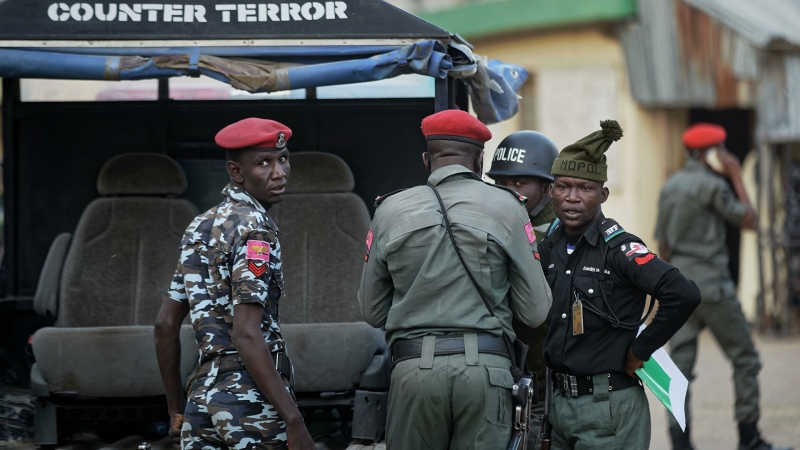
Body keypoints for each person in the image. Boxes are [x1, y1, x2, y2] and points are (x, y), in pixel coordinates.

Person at [358, 109, 552, 450]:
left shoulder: (388, 210)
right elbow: (535, 312)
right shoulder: (507, 207)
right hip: (486, 373)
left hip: (413, 372)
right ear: (479, 161)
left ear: (425, 159)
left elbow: (372, 312)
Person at [154, 118, 315, 450]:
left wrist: (176, 409)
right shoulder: (256, 228)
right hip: (250, 399)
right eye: (264, 163)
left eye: (283, 158)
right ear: (236, 171)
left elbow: (165, 324)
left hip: (201, 398)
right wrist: (293, 419)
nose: (279, 172)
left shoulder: (199, 226)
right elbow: (245, 332)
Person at [540, 120, 701, 449]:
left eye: (585, 188)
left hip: (608, 407)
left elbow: (683, 293)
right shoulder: (548, 247)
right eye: (563, 186)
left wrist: (641, 351)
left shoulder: (619, 249)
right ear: (550, 191)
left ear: (603, 194)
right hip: (560, 406)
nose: (572, 197)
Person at [655, 123, 792, 450]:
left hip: (679, 289)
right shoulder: (712, 185)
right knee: (745, 358)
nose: (728, 156)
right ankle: (750, 439)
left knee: (678, 370)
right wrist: (735, 173)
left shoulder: (670, 186)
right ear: (710, 153)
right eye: (723, 150)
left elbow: (663, 247)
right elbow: (750, 221)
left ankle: (681, 444)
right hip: (713, 288)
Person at [486, 130, 559, 449]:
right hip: (512, 372)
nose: (508, 193)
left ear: (546, 188)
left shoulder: (559, 230)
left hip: (548, 377)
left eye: (519, 185)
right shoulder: (494, 221)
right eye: (501, 184)